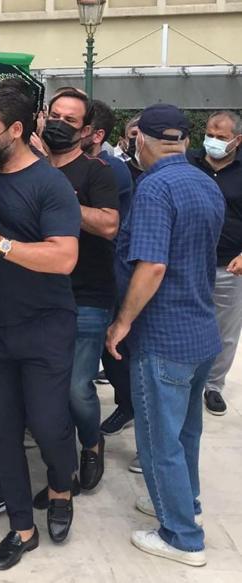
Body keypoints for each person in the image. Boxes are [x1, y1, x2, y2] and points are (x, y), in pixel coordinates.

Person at [0, 86, 80, 570]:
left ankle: (61, 487)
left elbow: (64, 257)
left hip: (46, 327)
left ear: (15, 129)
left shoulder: (49, 184)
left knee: (49, 425)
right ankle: (21, 528)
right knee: (1, 432)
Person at [106, 104, 224, 567]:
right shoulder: (203, 181)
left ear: (140, 139)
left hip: (164, 336)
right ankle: (184, 502)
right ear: (185, 140)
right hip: (200, 331)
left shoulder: (155, 188)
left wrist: (122, 322)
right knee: (186, 431)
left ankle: (181, 536)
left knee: (159, 440)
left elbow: (153, 265)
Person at [37, 88, 119, 500]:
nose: (59, 124)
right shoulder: (27, 165)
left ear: (86, 130)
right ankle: (61, 469)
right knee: (47, 391)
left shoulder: (96, 172)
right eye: (54, 115)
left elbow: (108, 224)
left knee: (76, 387)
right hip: (37, 295)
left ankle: (91, 442)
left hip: (87, 295)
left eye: (70, 120)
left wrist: (63, 198)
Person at [81, 100, 138, 438]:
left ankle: (130, 405)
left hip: (109, 270)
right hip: (83, 273)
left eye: (74, 124)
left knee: (114, 346)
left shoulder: (110, 169)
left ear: (96, 134)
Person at [188, 111, 242, 416]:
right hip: (188, 262)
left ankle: (213, 385)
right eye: (210, 134)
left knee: (225, 330)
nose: (213, 141)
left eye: (221, 137)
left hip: (229, 265)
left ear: (237, 140)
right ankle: (185, 378)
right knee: (184, 322)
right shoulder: (188, 163)